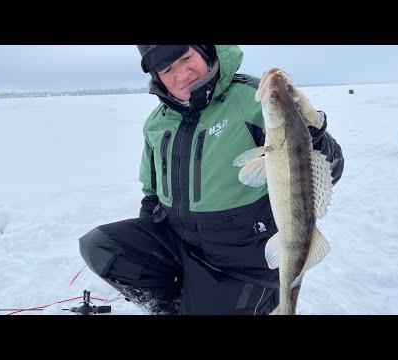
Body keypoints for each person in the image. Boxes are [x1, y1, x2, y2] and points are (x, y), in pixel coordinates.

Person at [79, 45, 344, 315]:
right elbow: (151, 193)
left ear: (205, 51)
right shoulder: (156, 124)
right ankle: (173, 307)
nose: (182, 75)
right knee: (100, 245)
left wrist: (315, 130)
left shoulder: (253, 99)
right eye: (168, 69)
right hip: (181, 246)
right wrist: (150, 252)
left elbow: (330, 168)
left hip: (239, 263)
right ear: (157, 76)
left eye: (186, 58)